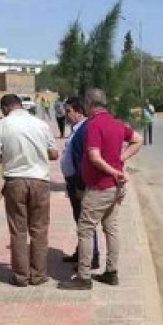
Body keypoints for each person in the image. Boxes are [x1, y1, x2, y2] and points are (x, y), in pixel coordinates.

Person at [58, 88, 143, 290]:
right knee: (111, 229)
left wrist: (113, 169)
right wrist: (121, 159)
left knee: (85, 229)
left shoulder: (94, 126)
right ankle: (111, 272)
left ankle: (84, 276)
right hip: (115, 187)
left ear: (88, 103)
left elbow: (94, 157)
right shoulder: (116, 123)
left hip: (100, 187)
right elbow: (137, 139)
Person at [0, 94, 59, 287]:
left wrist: (11, 158)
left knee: (18, 230)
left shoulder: (1, 125)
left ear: (4, 108)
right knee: (39, 229)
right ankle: (38, 274)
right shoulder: (41, 124)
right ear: (21, 106)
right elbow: (54, 154)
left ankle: (20, 275)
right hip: (40, 181)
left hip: (15, 181)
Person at [59, 96, 100, 269]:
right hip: (73, 181)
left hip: (79, 183)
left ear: (78, 111)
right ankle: (82, 252)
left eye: (68, 111)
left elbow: (83, 160)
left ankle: (91, 257)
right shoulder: (76, 128)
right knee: (79, 220)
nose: (65, 114)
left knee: (85, 222)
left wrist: (80, 185)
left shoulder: (83, 130)